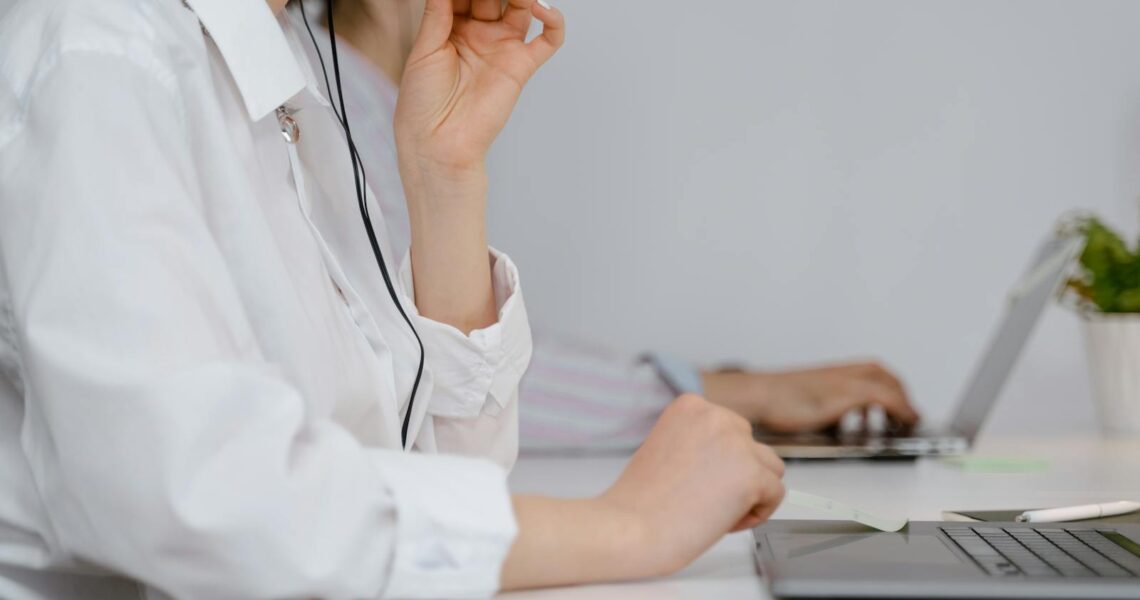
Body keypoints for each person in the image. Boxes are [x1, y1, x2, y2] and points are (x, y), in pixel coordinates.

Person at [0, 0, 787, 598]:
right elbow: (195, 503)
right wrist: (627, 526)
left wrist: (443, 177)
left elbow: (419, 478)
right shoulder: (98, 49)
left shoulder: (281, 73)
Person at [311, 0, 922, 452]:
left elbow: (458, 359)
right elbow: (421, 370)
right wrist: (726, 395)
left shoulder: (380, 100)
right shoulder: (327, 112)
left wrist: (719, 390)